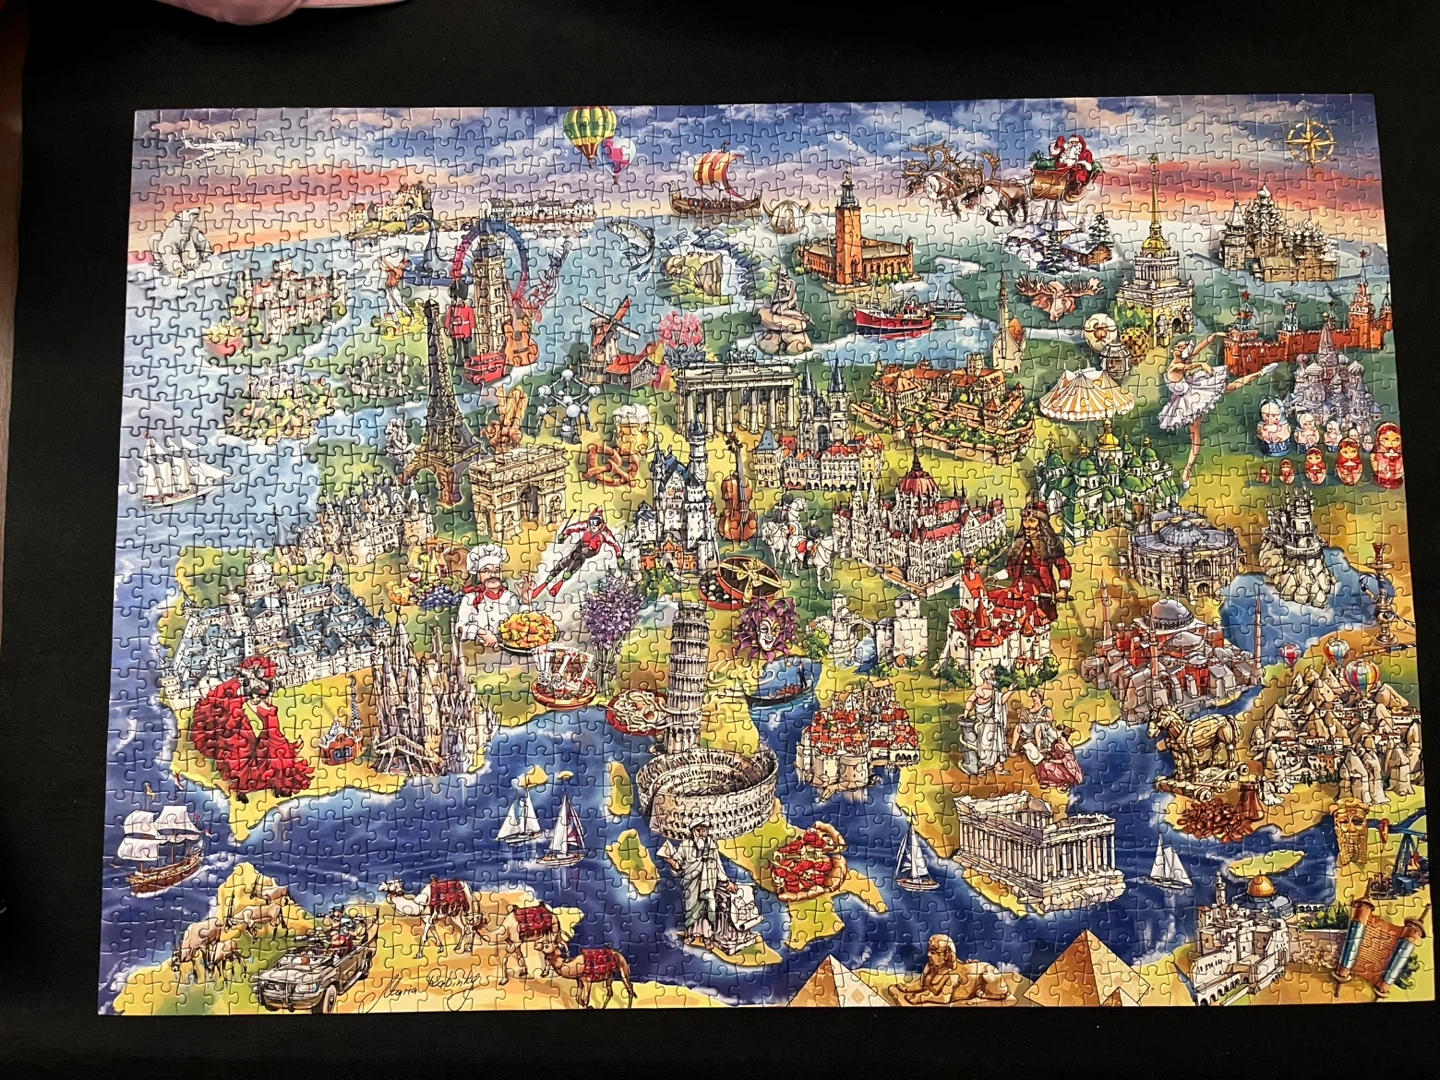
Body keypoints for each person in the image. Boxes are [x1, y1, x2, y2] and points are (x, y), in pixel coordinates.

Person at [190, 656, 314, 803]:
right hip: (270, 736)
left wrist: (256, 689)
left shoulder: (265, 698)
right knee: (258, 763)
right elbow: (252, 703)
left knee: (271, 765)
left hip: (272, 736)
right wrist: (247, 696)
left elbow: (264, 697)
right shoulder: (256, 701)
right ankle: (245, 790)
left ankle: (261, 788)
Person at [1158, 333, 1271, 484]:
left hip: (1194, 392)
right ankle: (1188, 467)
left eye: (1181, 346)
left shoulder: (1184, 359)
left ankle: (1260, 373)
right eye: (1178, 346)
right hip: (1187, 400)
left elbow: (1202, 345)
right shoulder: (1174, 367)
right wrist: (1201, 365)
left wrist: (1215, 335)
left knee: (1230, 387)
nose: (1176, 347)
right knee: (1196, 436)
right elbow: (1185, 367)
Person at [660, 822, 736, 948]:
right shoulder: (685, 845)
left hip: (708, 886)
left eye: (704, 830)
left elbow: (718, 866)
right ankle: (690, 934)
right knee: (692, 911)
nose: (701, 833)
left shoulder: (712, 846)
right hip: (692, 886)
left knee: (708, 911)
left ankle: (707, 937)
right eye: (698, 830)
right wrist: (671, 861)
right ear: (693, 831)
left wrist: (727, 881)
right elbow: (678, 866)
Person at [1002, 502, 1071, 622]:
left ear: (1041, 523)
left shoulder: (1049, 543)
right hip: (1020, 589)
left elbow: (1063, 566)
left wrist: (1063, 589)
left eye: (1032, 521)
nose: (1027, 525)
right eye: (1025, 520)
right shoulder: (1019, 543)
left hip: (1043, 589)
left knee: (1042, 619)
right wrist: (995, 577)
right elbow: (1011, 569)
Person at [456, 544, 519, 647]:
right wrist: (482, 633)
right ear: (479, 576)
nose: (493, 575)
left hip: (509, 651)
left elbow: (522, 623)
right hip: (478, 650)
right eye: (486, 570)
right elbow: (460, 628)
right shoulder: (470, 598)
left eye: (497, 570)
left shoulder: (511, 597)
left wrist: (527, 601)